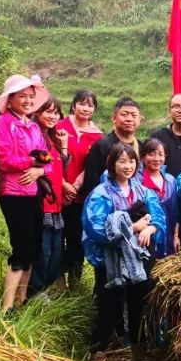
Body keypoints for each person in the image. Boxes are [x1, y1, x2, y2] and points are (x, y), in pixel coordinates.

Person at [83, 143, 167, 361]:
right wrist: (132, 227)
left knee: (139, 306)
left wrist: (150, 228)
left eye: (131, 161)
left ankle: (139, 354)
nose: (127, 166)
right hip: (110, 263)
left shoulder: (143, 191)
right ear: (112, 164)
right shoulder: (100, 193)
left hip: (139, 261)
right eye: (121, 161)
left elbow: (159, 218)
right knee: (107, 308)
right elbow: (97, 228)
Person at [0, 74, 51, 313]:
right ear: (10, 99)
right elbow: (4, 161)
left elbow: (48, 160)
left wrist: (39, 170)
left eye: (30, 97)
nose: (27, 101)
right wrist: (33, 163)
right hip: (13, 193)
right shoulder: (1, 124)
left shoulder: (33, 126)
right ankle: (6, 308)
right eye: (22, 96)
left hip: (33, 191)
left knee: (34, 247)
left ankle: (21, 299)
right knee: (21, 249)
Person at [26, 95, 71, 299]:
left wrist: (63, 145)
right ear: (36, 112)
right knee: (42, 253)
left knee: (55, 255)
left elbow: (60, 168)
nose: (53, 116)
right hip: (40, 203)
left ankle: (42, 290)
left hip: (56, 204)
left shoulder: (52, 139)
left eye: (56, 112)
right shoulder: (33, 136)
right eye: (48, 111)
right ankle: (34, 294)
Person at [57, 90, 102, 288]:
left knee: (76, 240)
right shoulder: (59, 127)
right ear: (74, 105)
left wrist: (75, 186)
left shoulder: (98, 136)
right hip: (55, 191)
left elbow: (92, 165)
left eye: (90, 105)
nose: (85, 108)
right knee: (55, 240)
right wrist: (61, 184)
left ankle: (74, 284)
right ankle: (56, 283)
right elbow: (51, 155)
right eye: (82, 103)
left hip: (80, 196)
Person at [81, 97, 143, 200]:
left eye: (134, 115)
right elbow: (91, 184)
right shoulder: (101, 146)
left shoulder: (142, 146)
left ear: (139, 120)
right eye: (124, 114)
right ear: (114, 118)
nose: (129, 119)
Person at [140, 138, 179, 256]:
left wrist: (176, 235)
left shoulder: (171, 180)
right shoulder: (137, 182)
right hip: (146, 241)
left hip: (169, 239)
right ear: (142, 157)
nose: (157, 159)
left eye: (160, 154)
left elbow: (177, 211)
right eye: (151, 154)